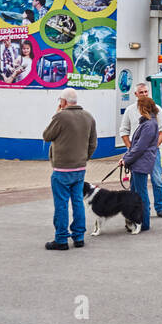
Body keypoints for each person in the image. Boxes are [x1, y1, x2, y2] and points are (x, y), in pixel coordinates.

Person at [41, 88, 99, 251]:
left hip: (61, 169)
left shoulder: (60, 116)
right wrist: (84, 157)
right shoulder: (88, 117)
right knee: (78, 202)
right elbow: (93, 142)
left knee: (61, 204)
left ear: (64, 102)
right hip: (80, 168)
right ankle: (79, 237)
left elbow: (47, 135)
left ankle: (61, 239)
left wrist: (56, 113)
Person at [120, 82, 162, 217]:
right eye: (141, 92)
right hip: (136, 153)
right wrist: (131, 149)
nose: (144, 94)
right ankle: (137, 209)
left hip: (152, 153)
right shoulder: (130, 110)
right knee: (135, 184)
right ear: (135, 94)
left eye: (146, 92)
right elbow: (123, 131)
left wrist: (154, 146)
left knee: (157, 180)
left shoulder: (156, 108)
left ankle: (160, 207)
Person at [121, 95, 161, 233]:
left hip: (141, 163)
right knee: (136, 193)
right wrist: (126, 157)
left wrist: (127, 159)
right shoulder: (148, 123)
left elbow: (140, 147)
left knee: (140, 194)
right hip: (139, 162)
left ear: (143, 108)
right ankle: (137, 220)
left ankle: (143, 222)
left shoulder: (149, 125)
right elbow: (136, 146)